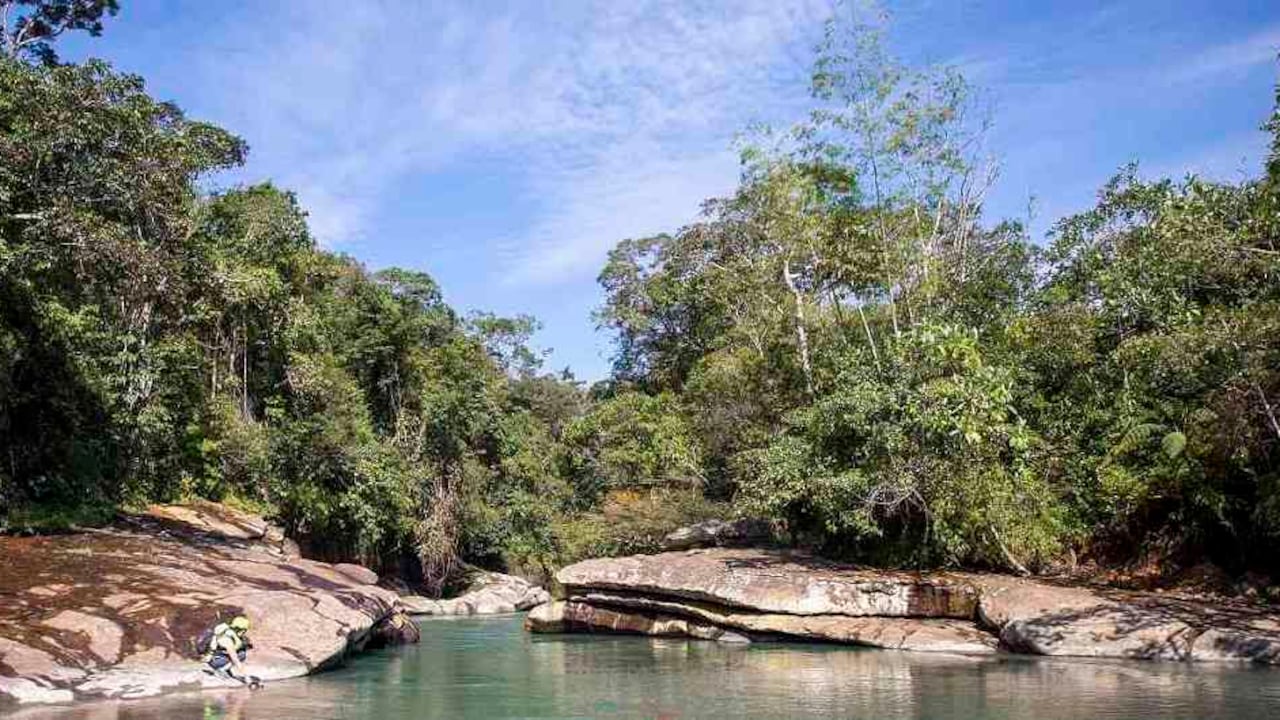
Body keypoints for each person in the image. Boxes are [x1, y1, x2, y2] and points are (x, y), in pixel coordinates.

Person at [202, 616, 254, 681]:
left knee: (241, 653)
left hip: (218, 656)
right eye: (245, 630)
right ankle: (221, 670)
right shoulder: (226, 639)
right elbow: (235, 660)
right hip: (215, 660)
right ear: (242, 630)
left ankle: (225, 670)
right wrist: (247, 678)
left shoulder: (229, 632)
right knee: (241, 655)